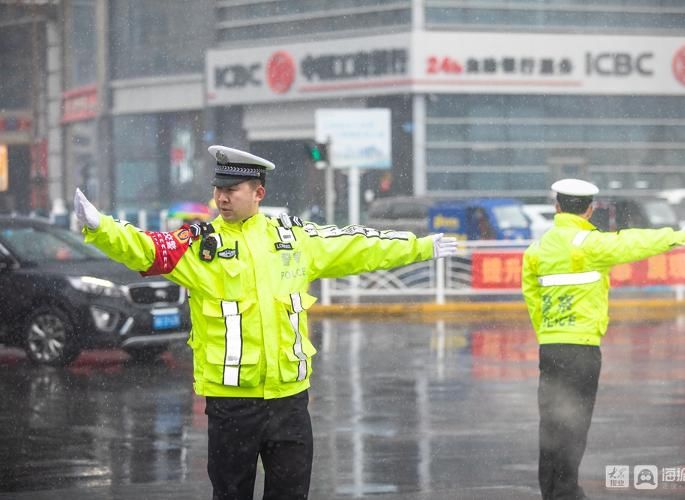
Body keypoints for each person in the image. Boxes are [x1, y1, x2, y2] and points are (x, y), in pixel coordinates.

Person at [73, 144, 457, 500]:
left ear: (259, 192)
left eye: (233, 189)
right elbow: (146, 248)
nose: (222, 197)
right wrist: (99, 227)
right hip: (231, 404)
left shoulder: (292, 239)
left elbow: (357, 244)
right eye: (218, 189)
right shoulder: (198, 246)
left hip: (290, 401)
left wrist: (420, 247)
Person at [521, 178, 685, 500]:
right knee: (574, 426)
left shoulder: (537, 249)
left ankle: (552, 491)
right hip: (582, 349)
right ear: (590, 210)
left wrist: (548, 333)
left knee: (550, 425)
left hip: (550, 347)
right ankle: (566, 493)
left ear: (556, 207)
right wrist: (678, 236)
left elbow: (532, 296)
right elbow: (631, 243)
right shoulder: (589, 244)